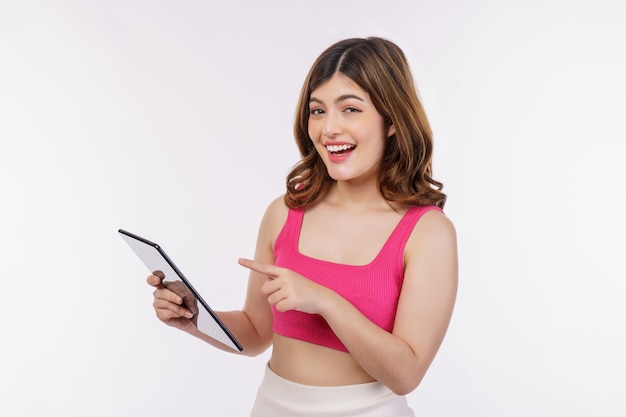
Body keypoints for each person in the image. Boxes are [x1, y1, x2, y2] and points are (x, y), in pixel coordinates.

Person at [147, 36, 458, 417]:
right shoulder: (284, 212)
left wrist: (324, 300)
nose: (329, 129)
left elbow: (406, 374)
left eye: (350, 109)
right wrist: (196, 320)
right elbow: (256, 332)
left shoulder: (427, 233)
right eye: (318, 110)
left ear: (391, 120)